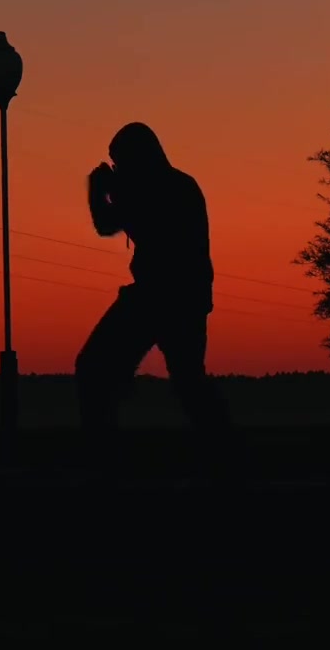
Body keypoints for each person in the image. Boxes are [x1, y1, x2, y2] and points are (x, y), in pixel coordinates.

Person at [75, 122, 230, 449]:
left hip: (160, 298)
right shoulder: (179, 185)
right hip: (183, 297)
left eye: (121, 163)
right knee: (188, 382)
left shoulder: (158, 189)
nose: (118, 170)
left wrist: (97, 189)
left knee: (94, 366)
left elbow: (106, 223)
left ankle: (100, 453)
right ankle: (225, 452)